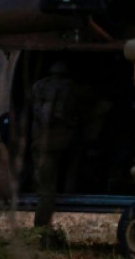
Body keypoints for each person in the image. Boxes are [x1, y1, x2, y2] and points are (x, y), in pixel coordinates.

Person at [29, 60, 92, 245]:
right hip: (67, 141)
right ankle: (71, 188)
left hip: (42, 144)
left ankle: (41, 232)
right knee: (70, 169)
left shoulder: (39, 87)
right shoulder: (74, 88)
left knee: (45, 191)